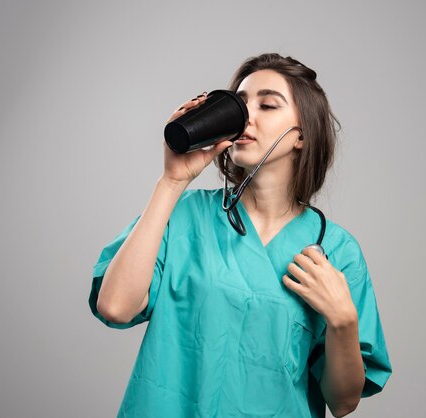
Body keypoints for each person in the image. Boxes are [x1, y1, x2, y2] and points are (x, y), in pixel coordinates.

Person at [89, 53, 392, 417]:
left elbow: (342, 402)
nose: (247, 115)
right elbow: (116, 307)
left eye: (267, 105)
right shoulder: (185, 214)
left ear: (302, 135)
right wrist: (172, 182)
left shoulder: (335, 251)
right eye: (240, 102)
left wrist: (343, 320)